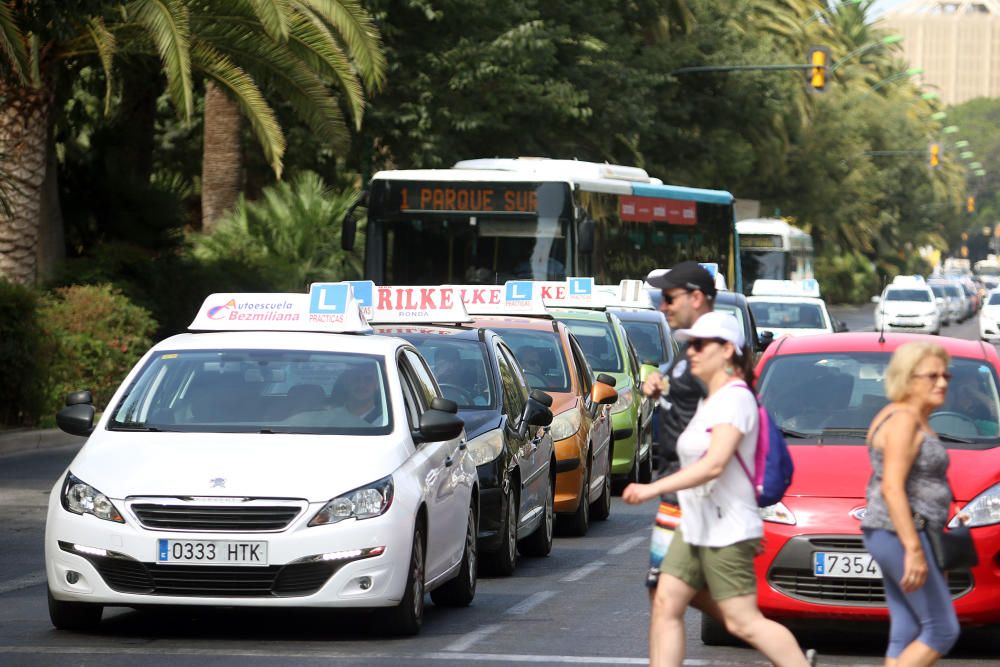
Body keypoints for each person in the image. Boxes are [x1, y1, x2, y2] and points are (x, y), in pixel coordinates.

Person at [623, 311, 815, 667]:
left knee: (743, 622)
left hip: (726, 530)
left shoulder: (736, 399)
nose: (690, 351)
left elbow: (714, 464)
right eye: (689, 344)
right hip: (694, 526)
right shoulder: (710, 400)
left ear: (727, 350)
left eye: (699, 344)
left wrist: (651, 490)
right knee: (666, 603)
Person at [861, 342, 961, 666]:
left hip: (896, 532)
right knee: (942, 630)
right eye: (931, 376)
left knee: (906, 629)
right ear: (907, 377)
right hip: (902, 533)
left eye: (946, 375)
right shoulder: (904, 419)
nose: (942, 382)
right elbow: (892, 486)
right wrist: (914, 550)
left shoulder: (902, 415)